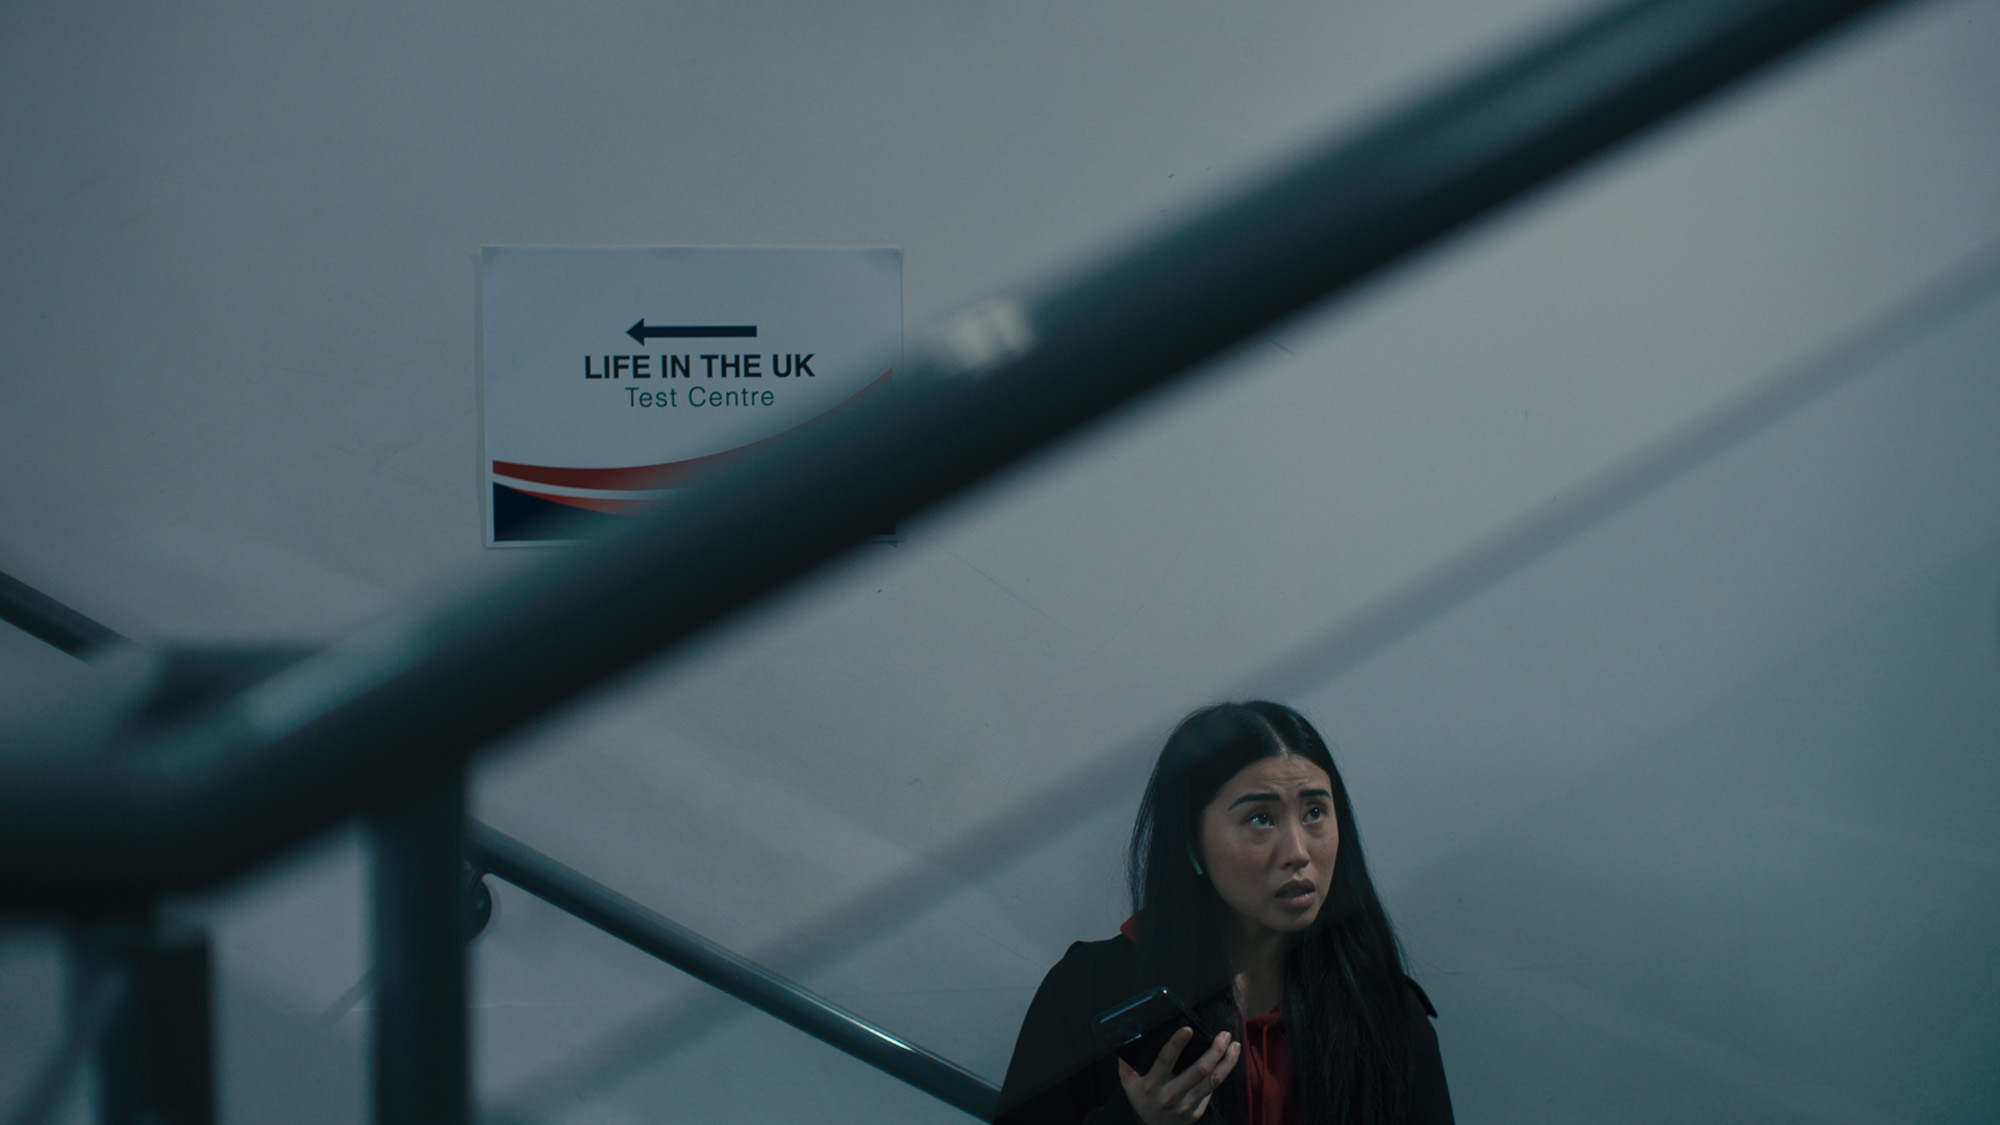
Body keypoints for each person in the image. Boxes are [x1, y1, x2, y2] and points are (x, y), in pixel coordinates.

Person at [995, 701, 1453, 1125]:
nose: (1298, 852)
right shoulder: (1091, 987)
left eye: (1315, 812)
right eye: (1260, 819)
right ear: (1192, 841)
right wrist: (1135, 1120)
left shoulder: (1387, 1010)